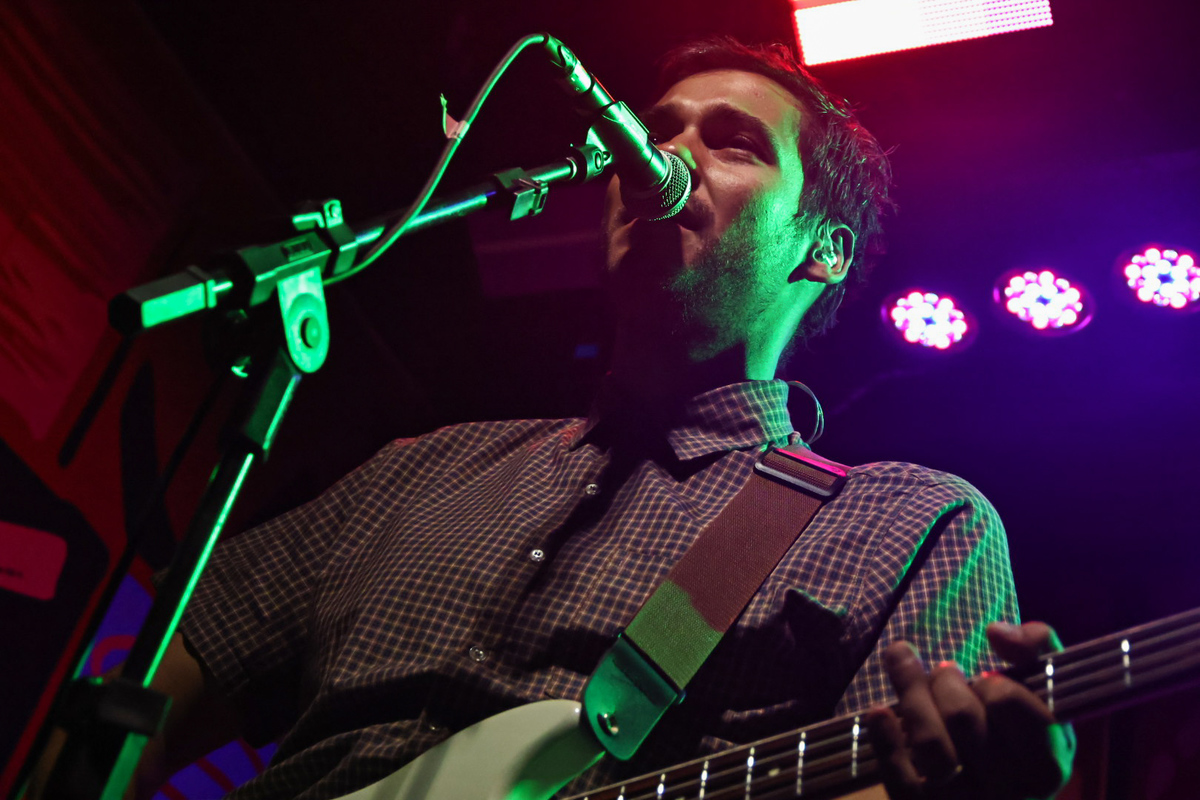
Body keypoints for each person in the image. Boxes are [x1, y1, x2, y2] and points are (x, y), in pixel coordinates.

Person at [32, 37, 1073, 800]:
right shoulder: (419, 467)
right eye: (657, 131)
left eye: (734, 144)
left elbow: (904, 775)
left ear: (824, 248)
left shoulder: (907, 522)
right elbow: (151, 687)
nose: (663, 156)